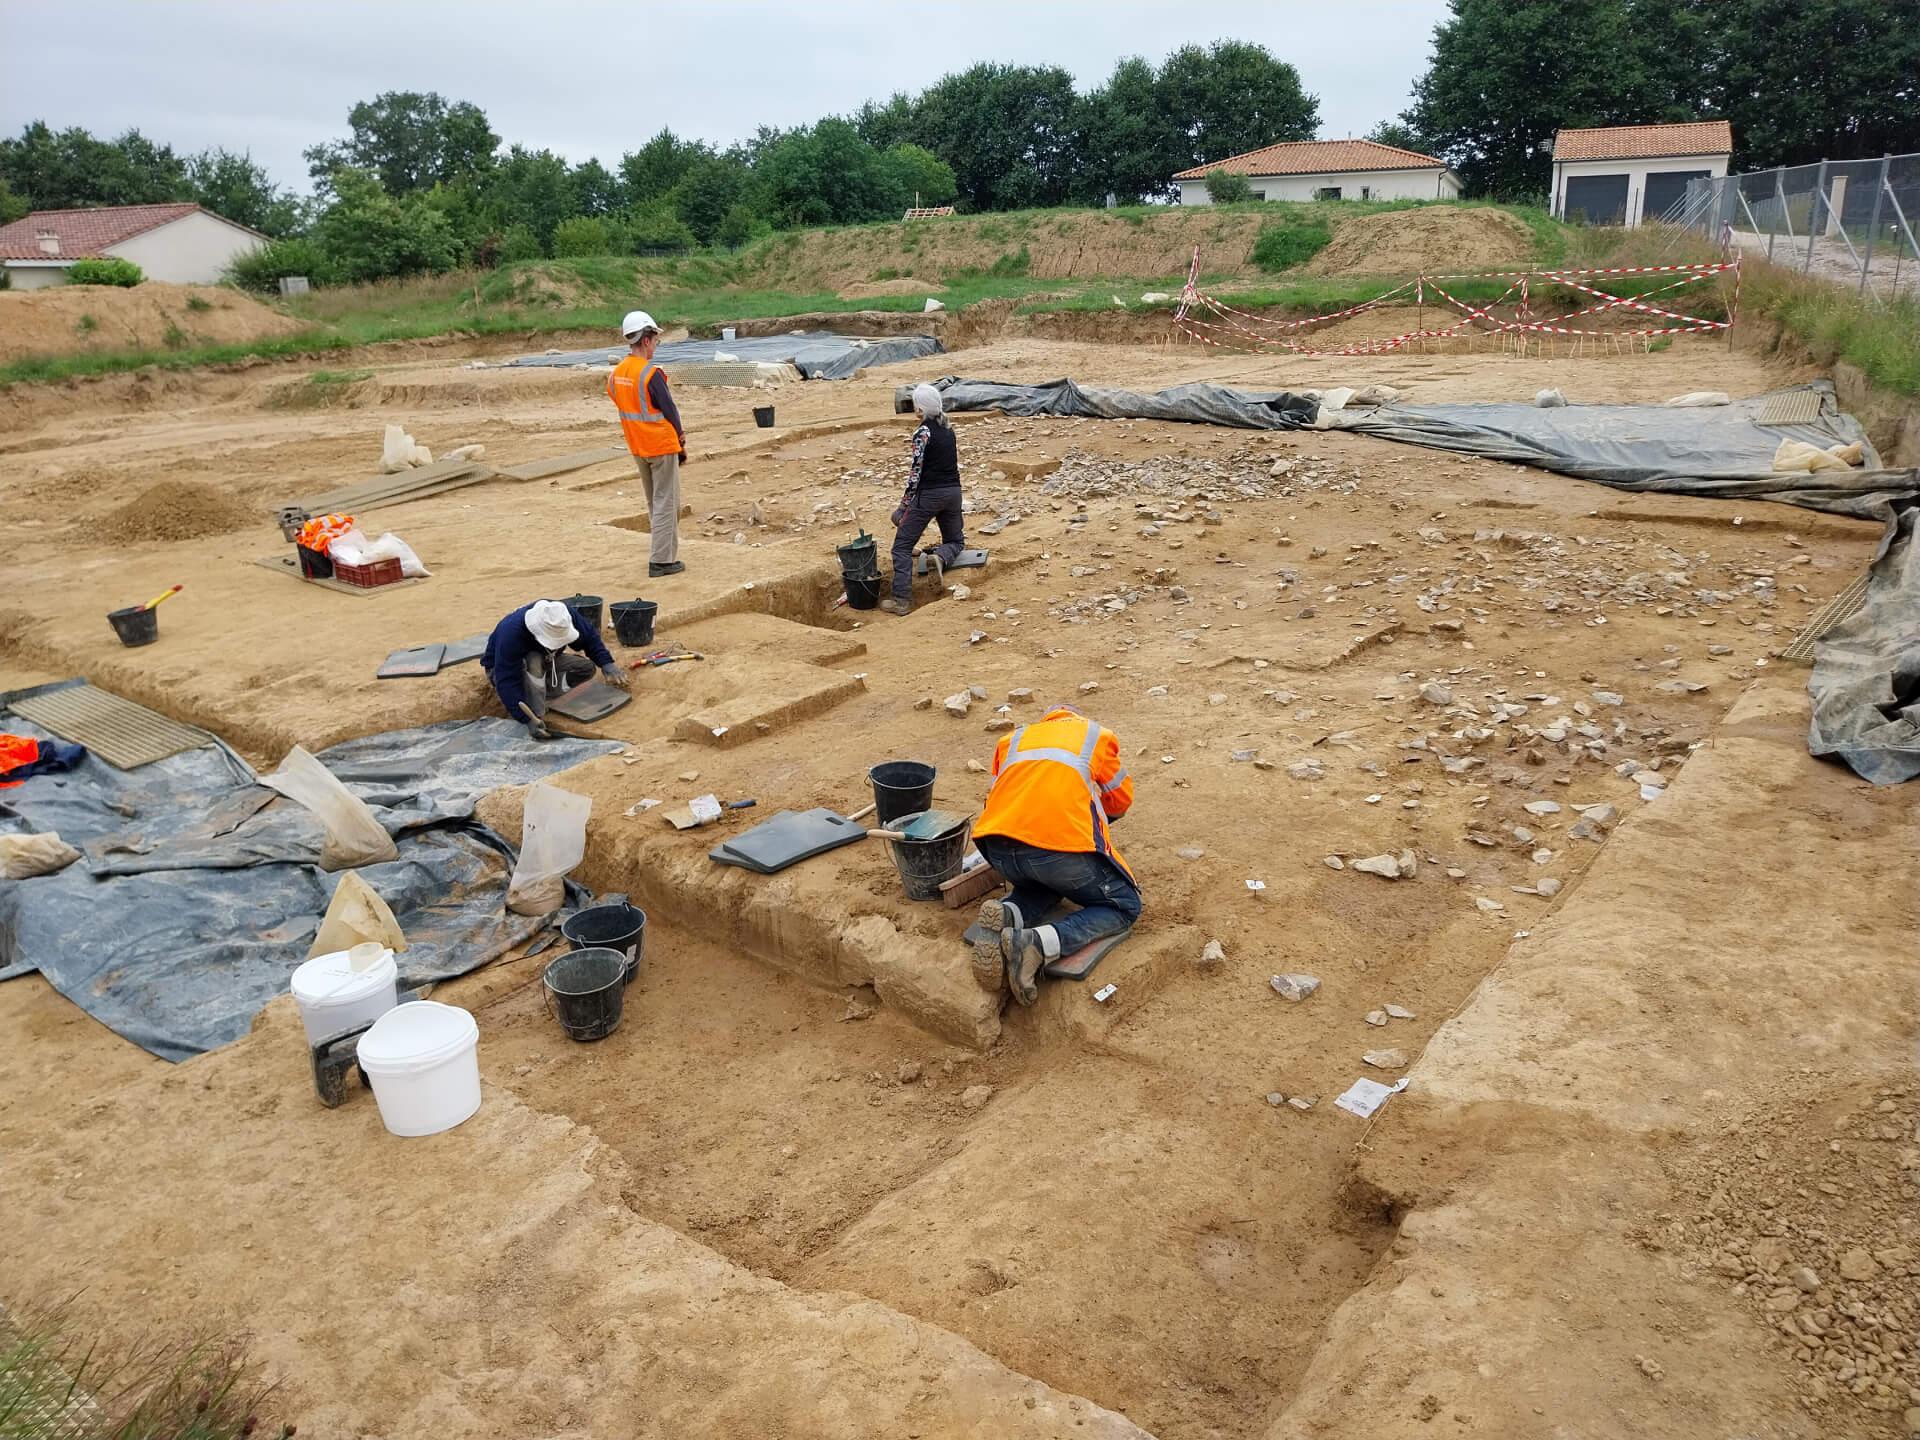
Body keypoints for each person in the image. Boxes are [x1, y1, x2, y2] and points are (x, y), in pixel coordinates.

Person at [970, 706, 1141, 1006]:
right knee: (1125, 906)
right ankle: (1037, 945)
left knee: (1045, 881)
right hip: (1056, 851)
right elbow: (1120, 800)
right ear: (1076, 718)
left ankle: (1010, 913)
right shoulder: (1095, 735)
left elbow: (1000, 797)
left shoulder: (1013, 739)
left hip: (997, 848)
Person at [607, 309, 688, 579]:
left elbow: (622, 403)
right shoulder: (650, 374)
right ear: (646, 340)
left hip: (638, 446)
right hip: (660, 445)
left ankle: (660, 553)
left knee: (656, 502)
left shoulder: (617, 374)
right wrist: (680, 439)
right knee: (667, 503)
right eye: (655, 341)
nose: (655, 346)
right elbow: (670, 410)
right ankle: (661, 561)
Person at [482, 599, 628, 740]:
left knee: (585, 668)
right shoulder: (511, 634)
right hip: (502, 669)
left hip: (547, 659)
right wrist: (526, 719)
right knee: (534, 660)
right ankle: (537, 714)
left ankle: (542, 693)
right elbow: (506, 681)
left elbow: (589, 637)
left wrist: (606, 663)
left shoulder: (562, 615)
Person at [879, 383, 966, 617]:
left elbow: (915, 474)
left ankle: (901, 600)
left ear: (919, 409)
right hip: (953, 493)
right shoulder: (948, 429)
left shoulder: (922, 433)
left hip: (928, 495)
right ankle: (940, 558)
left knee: (901, 548)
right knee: (956, 541)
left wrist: (903, 505)